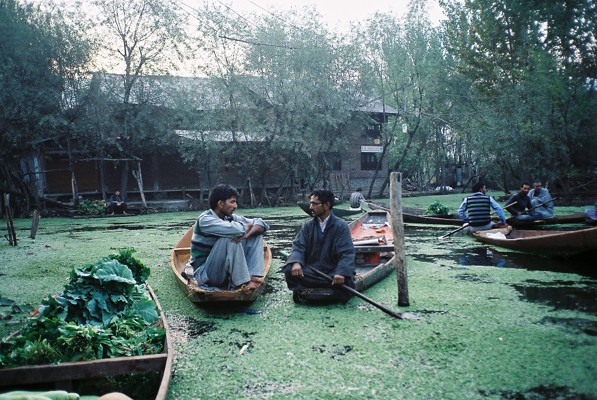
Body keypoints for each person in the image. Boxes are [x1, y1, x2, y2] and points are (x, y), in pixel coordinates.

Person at [184, 184, 269, 290]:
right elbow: (238, 230)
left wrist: (246, 235)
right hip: (205, 274)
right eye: (232, 202)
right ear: (220, 203)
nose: (236, 206)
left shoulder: (229, 217)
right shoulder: (205, 220)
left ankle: (254, 275)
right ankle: (243, 282)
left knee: (255, 234)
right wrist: (245, 229)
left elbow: (261, 224)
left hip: (221, 271)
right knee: (230, 238)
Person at [283, 188, 356, 303]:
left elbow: (346, 253)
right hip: (312, 270)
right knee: (289, 269)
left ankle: (328, 282)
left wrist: (341, 272)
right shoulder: (308, 226)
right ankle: (329, 285)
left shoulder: (341, 226)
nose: (311, 207)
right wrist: (297, 262)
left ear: (326, 205)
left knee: (346, 277)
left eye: (314, 204)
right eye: (310, 203)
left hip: (332, 271)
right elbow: (298, 246)